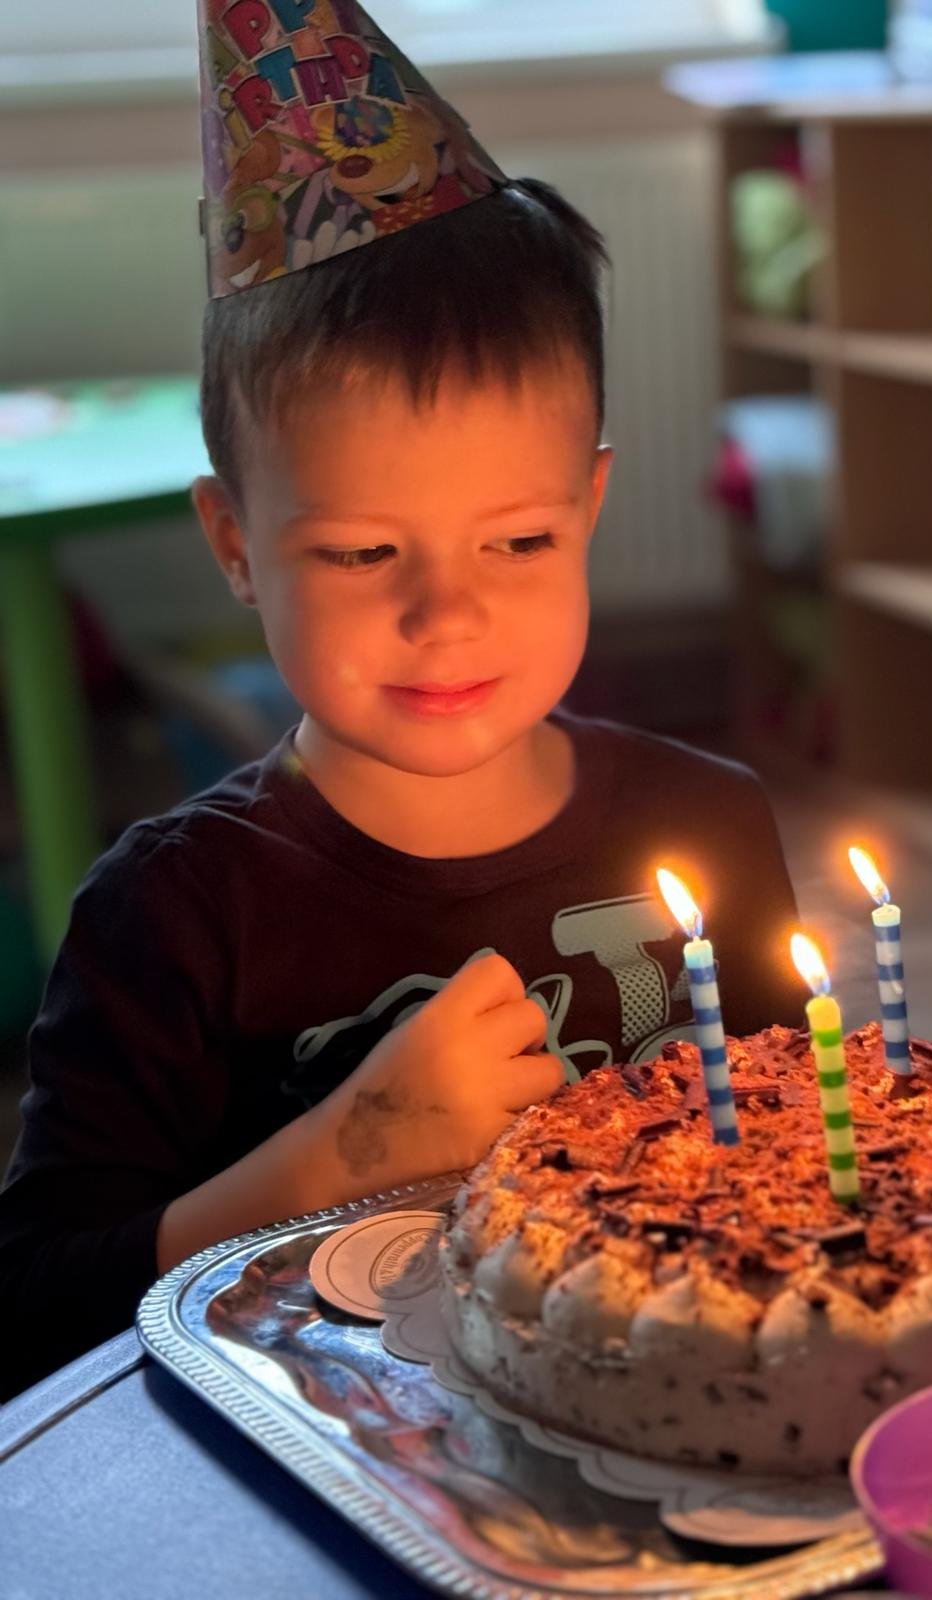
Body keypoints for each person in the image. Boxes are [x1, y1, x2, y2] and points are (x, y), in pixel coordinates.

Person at [0, 1, 803, 1399]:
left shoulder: (711, 825)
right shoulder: (172, 917)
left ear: (591, 505)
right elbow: (33, 1317)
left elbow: (807, 1163)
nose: (448, 615)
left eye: (520, 540)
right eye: (364, 554)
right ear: (236, 544)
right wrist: (337, 1156)